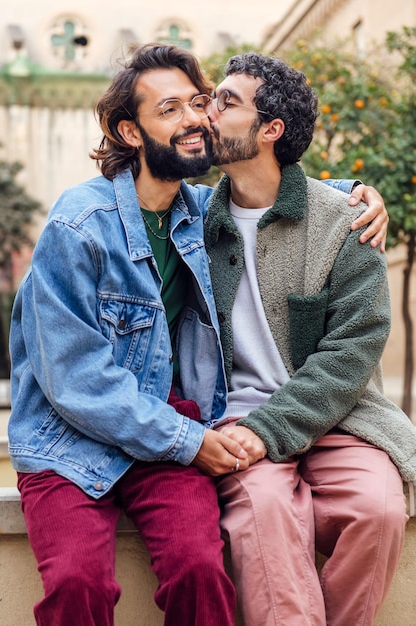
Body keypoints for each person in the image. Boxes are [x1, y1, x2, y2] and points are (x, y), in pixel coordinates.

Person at [7, 44, 388, 626]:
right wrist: (191, 442)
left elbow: (276, 194)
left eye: (201, 102)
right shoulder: (79, 226)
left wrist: (356, 191)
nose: (196, 118)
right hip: (75, 438)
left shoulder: (195, 211)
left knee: (204, 567)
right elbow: (75, 379)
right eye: (171, 109)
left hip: (171, 421)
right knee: (79, 582)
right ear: (131, 133)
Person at [203, 52, 416, 626]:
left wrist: (273, 428)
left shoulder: (343, 221)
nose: (208, 110)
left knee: (377, 511)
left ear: (270, 130)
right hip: (238, 423)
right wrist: (255, 433)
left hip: (339, 417)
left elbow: (353, 348)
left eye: (226, 101)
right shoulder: (193, 220)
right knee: (265, 510)